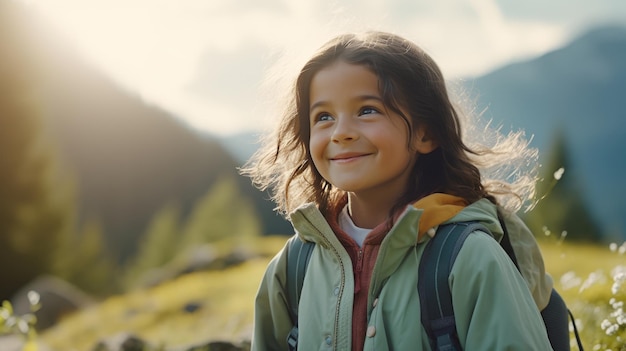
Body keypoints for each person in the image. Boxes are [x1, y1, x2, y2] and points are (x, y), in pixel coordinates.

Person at [242, 31, 554, 350]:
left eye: (366, 110)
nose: (341, 132)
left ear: (426, 133)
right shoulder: (294, 266)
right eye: (323, 117)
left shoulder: (470, 258)